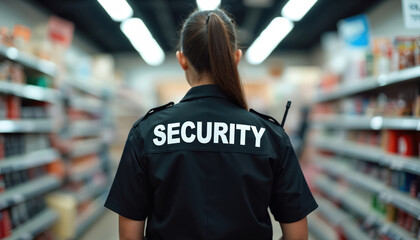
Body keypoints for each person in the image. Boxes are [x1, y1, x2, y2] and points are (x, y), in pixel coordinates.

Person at [105, 9, 317, 240]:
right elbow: (297, 235)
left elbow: (129, 236)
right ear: (236, 57)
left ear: (182, 60)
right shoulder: (270, 136)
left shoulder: (147, 133)